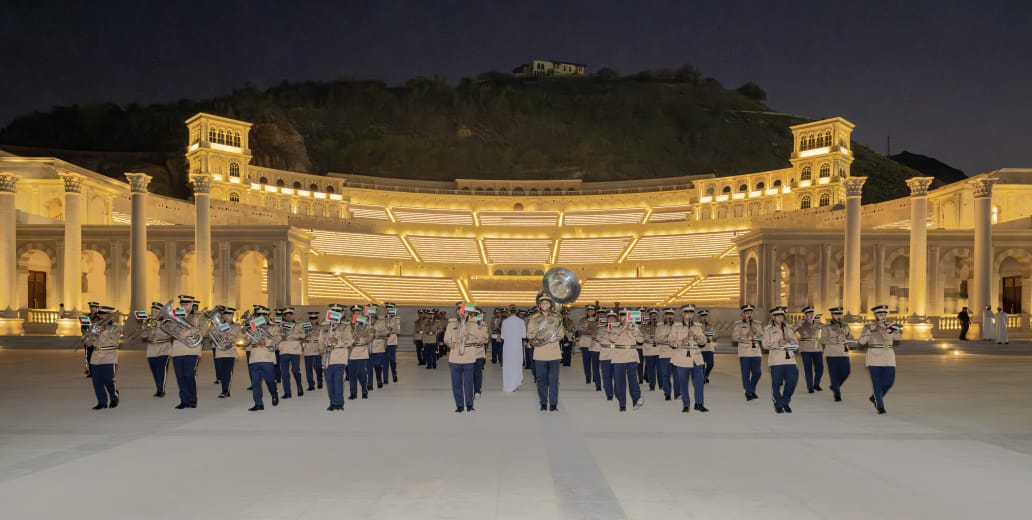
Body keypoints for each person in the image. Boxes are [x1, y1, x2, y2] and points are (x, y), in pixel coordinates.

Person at [858, 305, 902, 414]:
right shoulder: (868, 327)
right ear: (875, 315)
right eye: (880, 314)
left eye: (884, 314)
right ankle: (880, 406)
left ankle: (875, 397)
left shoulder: (891, 326)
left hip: (889, 358)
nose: (883, 316)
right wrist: (870, 331)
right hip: (874, 358)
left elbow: (898, 337)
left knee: (889, 381)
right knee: (877, 383)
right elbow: (862, 342)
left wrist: (887, 328)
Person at [444, 303, 487, 412]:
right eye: (460, 311)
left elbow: (480, 338)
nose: (463, 313)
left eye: (465, 311)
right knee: (456, 383)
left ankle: (469, 405)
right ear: (457, 312)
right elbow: (446, 339)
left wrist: (469, 334)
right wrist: (452, 345)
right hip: (455, 356)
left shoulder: (473, 323)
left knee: (468, 382)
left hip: (469, 356)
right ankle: (459, 406)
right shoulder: (451, 323)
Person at [527, 292, 565, 412]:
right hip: (540, 352)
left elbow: (561, 333)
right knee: (541, 380)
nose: (544, 305)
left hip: (554, 352)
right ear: (539, 305)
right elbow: (530, 335)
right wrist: (540, 329)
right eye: (542, 303)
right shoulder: (534, 319)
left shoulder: (557, 318)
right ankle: (543, 402)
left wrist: (555, 339)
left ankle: (553, 404)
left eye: (546, 303)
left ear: (550, 304)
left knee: (553, 380)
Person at [600, 308, 644, 411]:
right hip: (619, 355)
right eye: (623, 316)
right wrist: (623, 328)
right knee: (620, 380)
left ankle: (636, 399)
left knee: (633, 378)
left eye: (627, 316)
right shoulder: (614, 327)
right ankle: (622, 403)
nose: (625, 318)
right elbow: (612, 339)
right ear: (619, 317)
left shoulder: (634, 327)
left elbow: (641, 340)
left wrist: (634, 329)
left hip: (631, 355)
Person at [669, 304, 708, 413]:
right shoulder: (676, 327)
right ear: (682, 314)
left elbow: (703, 342)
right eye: (687, 313)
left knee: (699, 382)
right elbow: (670, 341)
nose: (689, 315)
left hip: (696, 357)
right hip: (682, 357)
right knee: (683, 382)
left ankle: (699, 404)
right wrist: (681, 342)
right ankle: (686, 404)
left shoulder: (697, 327)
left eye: (691, 313)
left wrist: (695, 337)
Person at [763, 306, 799, 414]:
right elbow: (765, 345)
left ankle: (785, 401)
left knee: (792, 380)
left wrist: (790, 340)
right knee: (776, 384)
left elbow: (796, 343)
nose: (780, 318)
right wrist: (777, 343)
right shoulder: (768, 330)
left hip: (790, 360)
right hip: (776, 360)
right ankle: (778, 404)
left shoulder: (788, 329)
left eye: (781, 316)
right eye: (777, 316)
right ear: (773, 317)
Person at [171, 295, 203, 409]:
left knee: (189, 374)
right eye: (182, 304)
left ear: (192, 304)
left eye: (187, 304)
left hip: (192, 348)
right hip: (177, 349)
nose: (184, 306)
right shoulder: (175, 315)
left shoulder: (199, 316)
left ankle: (192, 399)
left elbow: (204, 329)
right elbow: (168, 328)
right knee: (180, 376)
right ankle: (184, 401)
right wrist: (174, 325)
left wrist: (189, 331)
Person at [86, 306, 121, 410]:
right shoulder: (94, 326)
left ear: (109, 315)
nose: (101, 317)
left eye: (103, 315)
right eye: (100, 315)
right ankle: (102, 402)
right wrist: (92, 335)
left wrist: (104, 331)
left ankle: (114, 398)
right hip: (96, 355)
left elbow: (115, 342)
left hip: (110, 355)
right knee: (97, 381)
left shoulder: (116, 327)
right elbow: (89, 344)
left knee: (108, 379)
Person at [321, 309, 353, 411]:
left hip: (340, 354)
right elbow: (321, 340)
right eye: (333, 311)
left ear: (342, 313)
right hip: (327, 356)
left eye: (338, 311)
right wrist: (321, 350)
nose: (335, 313)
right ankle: (332, 402)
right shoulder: (325, 325)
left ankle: (339, 402)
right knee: (329, 380)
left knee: (338, 379)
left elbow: (350, 341)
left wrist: (337, 341)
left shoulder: (346, 326)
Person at [247, 312, 280, 411]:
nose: (262, 318)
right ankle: (258, 403)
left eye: (264, 316)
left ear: (267, 317)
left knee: (270, 380)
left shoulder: (274, 327)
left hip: (267, 357)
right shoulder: (253, 327)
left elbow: (278, 338)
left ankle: (274, 394)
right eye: (259, 316)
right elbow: (246, 341)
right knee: (256, 383)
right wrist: (247, 333)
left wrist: (266, 341)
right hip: (254, 357)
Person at [731, 304, 764, 401]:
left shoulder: (757, 324)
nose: (749, 315)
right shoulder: (738, 324)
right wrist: (746, 336)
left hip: (756, 351)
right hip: (744, 352)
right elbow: (734, 338)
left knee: (757, 372)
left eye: (751, 313)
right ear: (743, 314)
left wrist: (756, 333)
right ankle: (749, 393)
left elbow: (763, 337)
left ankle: (750, 389)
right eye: (747, 313)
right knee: (745, 373)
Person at [820, 307, 853, 402]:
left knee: (846, 372)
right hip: (832, 353)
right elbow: (823, 340)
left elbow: (851, 337)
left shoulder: (845, 325)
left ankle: (835, 386)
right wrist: (835, 339)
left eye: (839, 314)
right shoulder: (826, 327)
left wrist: (847, 335)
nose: (838, 316)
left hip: (843, 352)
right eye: (836, 314)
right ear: (832, 315)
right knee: (834, 374)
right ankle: (837, 394)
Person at [142, 301, 172, 397]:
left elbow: (169, 333)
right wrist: (147, 328)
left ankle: (161, 390)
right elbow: (143, 336)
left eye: (156, 311)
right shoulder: (148, 321)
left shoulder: (167, 321)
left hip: (164, 347)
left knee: (161, 369)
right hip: (151, 348)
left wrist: (157, 325)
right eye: (152, 311)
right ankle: (158, 387)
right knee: (154, 370)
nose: (153, 313)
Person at [213, 307, 242, 399]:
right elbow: (211, 336)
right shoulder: (218, 325)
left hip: (230, 351)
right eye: (225, 314)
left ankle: (225, 391)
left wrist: (228, 336)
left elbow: (239, 338)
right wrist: (216, 333)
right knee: (221, 372)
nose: (226, 316)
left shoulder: (237, 326)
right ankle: (225, 390)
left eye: (229, 314)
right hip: (219, 351)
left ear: (232, 315)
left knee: (227, 372)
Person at [795, 306, 824, 393]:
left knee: (820, 368)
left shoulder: (818, 323)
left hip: (817, 348)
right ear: (805, 315)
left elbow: (826, 331)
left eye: (812, 314)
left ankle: (816, 384)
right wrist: (797, 324)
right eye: (808, 314)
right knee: (808, 368)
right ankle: (810, 387)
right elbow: (790, 331)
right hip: (805, 348)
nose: (810, 316)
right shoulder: (801, 323)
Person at [348, 306, 373, 399]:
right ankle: (353, 393)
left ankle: (364, 390)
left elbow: (369, 338)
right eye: (355, 313)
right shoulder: (348, 325)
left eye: (358, 313)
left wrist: (359, 339)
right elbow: (343, 337)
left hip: (362, 351)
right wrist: (351, 339)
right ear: (352, 314)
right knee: (352, 374)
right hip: (351, 352)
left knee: (361, 372)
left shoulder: (366, 324)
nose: (356, 314)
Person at [501, 305, 527, 392]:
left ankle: (508, 385)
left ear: (508, 311)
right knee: (517, 365)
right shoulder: (521, 321)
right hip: (517, 347)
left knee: (508, 365)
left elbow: (502, 336)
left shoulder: (505, 322)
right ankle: (515, 384)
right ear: (517, 311)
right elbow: (524, 335)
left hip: (507, 347)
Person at [655, 308, 676, 400]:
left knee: (677, 376)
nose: (669, 316)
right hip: (664, 354)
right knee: (665, 375)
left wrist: (665, 339)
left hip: (676, 353)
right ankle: (667, 393)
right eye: (667, 314)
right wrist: (668, 338)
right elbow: (657, 339)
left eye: (671, 314)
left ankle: (678, 393)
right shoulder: (659, 327)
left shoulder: (678, 326)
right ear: (664, 316)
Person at [302, 311, 325, 391]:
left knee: (318, 367)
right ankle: (311, 384)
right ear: (309, 319)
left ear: (317, 319)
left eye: (315, 318)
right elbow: (301, 336)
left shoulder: (321, 327)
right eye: (311, 318)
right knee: (308, 369)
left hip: (317, 348)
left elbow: (323, 338)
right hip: (307, 349)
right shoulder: (305, 326)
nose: (313, 320)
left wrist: (322, 349)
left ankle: (319, 380)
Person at [369, 304, 390, 389]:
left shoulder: (381, 321)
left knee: (377, 365)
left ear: (376, 311)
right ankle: (369, 384)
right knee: (369, 366)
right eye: (370, 310)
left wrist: (376, 333)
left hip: (378, 346)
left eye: (373, 310)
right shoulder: (364, 321)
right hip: (367, 347)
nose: (372, 312)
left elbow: (386, 333)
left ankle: (379, 379)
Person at [471, 310, 488, 399]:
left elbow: (486, 339)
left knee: (478, 372)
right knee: (469, 373)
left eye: (479, 315)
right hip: (469, 352)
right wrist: (478, 339)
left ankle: (477, 391)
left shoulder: (484, 325)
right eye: (475, 315)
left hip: (480, 352)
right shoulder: (468, 324)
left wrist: (476, 339)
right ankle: (470, 390)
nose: (477, 316)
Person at [641, 309, 660, 391]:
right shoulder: (644, 326)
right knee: (650, 369)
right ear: (649, 316)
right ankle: (652, 385)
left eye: (655, 315)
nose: (653, 317)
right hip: (649, 350)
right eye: (652, 315)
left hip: (659, 350)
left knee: (660, 369)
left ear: (657, 316)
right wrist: (650, 337)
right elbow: (642, 336)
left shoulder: (660, 326)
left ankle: (661, 385)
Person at [383, 302, 402, 382]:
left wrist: (391, 329)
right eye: (387, 309)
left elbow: (398, 331)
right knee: (385, 361)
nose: (388, 310)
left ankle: (394, 374)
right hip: (383, 343)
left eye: (390, 309)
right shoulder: (383, 319)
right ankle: (385, 379)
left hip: (392, 342)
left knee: (392, 361)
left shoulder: (396, 319)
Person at [81, 301, 101, 377]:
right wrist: (85, 333)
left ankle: (97, 372)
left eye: (94, 307)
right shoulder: (86, 317)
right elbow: (83, 327)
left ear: (97, 308)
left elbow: (99, 328)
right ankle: (91, 372)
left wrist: (93, 333)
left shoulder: (99, 317)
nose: (92, 309)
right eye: (91, 307)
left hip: (96, 339)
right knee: (88, 356)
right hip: (88, 339)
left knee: (96, 356)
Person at [698, 309, 716, 383]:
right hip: (700, 348)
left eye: (705, 316)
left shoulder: (711, 325)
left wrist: (707, 333)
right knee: (701, 365)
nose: (704, 317)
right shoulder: (697, 326)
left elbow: (715, 335)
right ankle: (703, 378)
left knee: (710, 364)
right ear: (699, 317)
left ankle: (705, 375)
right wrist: (701, 333)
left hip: (709, 348)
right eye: (702, 316)